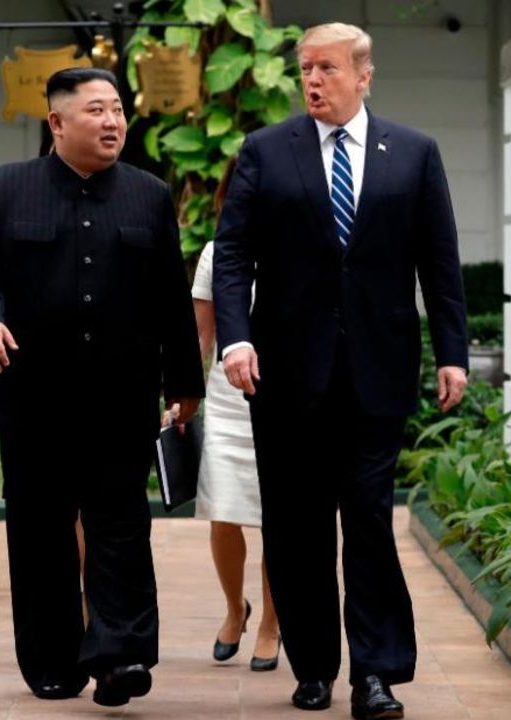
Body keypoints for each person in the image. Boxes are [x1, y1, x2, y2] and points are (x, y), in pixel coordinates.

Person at [212, 22, 470, 720]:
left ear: (365, 75)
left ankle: (376, 674)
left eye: (327, 68)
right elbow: (233, 255)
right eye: (305, 69)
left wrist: (453, 352)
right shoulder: (267, 151)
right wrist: (234, 340)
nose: (313, 81)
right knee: (296, 528)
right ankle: (315, 666)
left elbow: (438, 263)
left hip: (376, 372)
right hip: (285, 376)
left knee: (367, 522)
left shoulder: (414, 154)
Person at [0, 67, 203, 708]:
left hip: (120, 399)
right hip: (31, 399)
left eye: (117, 109)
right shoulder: (6, 189)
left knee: (120, 528)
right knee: (41, 534)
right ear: (57, 122)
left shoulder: (148, 195)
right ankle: (54, 660)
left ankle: (119, 657)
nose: (113, 121)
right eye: (96, 110)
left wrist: (184, 382)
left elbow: (173, 297)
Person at [189, 157, 281, 672]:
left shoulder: (301, 245)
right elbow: (201, 337)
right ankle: (234, 608)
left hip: (286, 399)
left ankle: (271, 622)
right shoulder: (215, 253)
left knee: (278, 519)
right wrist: (180, 396)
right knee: (223, 512)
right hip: (227, 401)